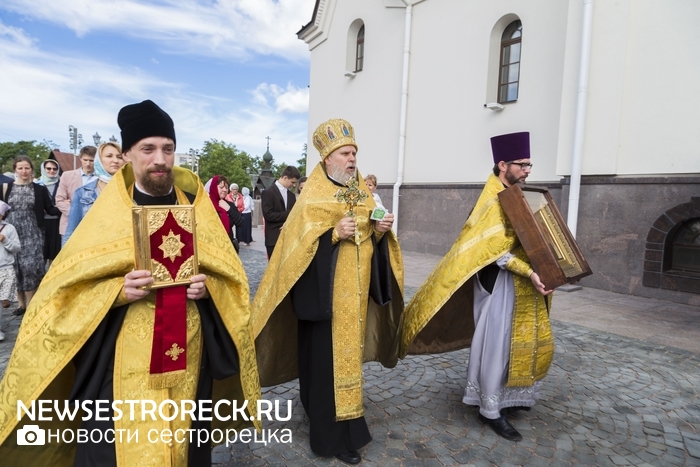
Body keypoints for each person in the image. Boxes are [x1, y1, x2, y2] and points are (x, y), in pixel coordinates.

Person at [0, 100, 262, 465]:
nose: (160, 159)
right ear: (127, 155)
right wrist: (116, 292)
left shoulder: (196, 205)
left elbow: (228, 276)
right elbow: (64, 289)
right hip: (122, 355)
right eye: (148, 149)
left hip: (189, 351)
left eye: (167, 149)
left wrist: (207, 289)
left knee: (186, 443)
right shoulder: (109, 211)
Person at [252, 118, 404, 464]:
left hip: (356, 297)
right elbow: (296, 248)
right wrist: (331, 234)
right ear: (327, 159)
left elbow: (371, 242)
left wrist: (380, 230)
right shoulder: (311, 199)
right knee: (323, 366)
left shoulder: (363, 195)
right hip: (323, 298)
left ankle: (349, 428)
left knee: (349, 366)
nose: (352, 159)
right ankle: (328, 435)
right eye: (345, 153)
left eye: (354, 153)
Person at [400, 131, 554, 442]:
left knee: (517, 342)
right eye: (522, 165)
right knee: (496, 345)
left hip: (526, 284)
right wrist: (529, 270)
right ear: (502, 164)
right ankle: (491, 409)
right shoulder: (491, 199)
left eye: (529, 165)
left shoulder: (519, 193)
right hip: (501, 285)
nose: (527, 170)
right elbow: (493, 252)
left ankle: (511, 398)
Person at [0, 156, 61, 316]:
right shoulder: (5, 187)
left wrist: (70, 207)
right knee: (15, 267)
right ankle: (21, 305)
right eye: (20, 168)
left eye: (27, 168)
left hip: (33, 232)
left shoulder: (39, 189)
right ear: (15, 169)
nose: (24, 171)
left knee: (31, 267)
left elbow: (51, 208)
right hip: (12, 231)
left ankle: (32, 302)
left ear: (31, 170)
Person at [62, 142, 125, 246]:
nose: (115, 160)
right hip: (90, 250)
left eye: (119, 157)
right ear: (99, 160)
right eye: (109, 156)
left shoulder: (130, 189)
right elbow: (71, 231)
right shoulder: (83, 192)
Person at [55, 145, 97, 238]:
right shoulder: (67, 176)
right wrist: (77, 214)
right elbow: (59, 200)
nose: (88, 163)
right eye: (85, 160)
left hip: (94, 225)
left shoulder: (101, 178)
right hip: (69, 225)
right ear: (80, 159)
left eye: (91, 160)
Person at [261, 165, 300, 258]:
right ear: (285, 177)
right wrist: (289, 214)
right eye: (293, 182)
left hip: (289, 238)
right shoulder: (268, 192)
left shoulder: (291, 195)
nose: (294, 185)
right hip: (273, 238)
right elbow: (268, 215)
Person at [205, 175, 244, 252]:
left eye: (226, 187)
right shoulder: (206, 205)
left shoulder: (229, 205)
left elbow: (241, 223)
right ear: (213, 188)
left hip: (228, 248)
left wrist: (228, 209)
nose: (225, 190)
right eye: (221, 187)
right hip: (210, 249)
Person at [0, 200, 20, 342]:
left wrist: (5, 240)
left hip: (5, 269)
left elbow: (16, 248)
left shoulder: (9, 228)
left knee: (2, 301)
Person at [36, 159, 62, 263]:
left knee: (54, 252)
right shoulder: (37, 185)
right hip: (41, 222)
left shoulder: (61, 184)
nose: (51, 171)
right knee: (42, 250)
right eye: (48, 168)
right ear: (43, 169)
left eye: (55, 169)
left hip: (57, 222)